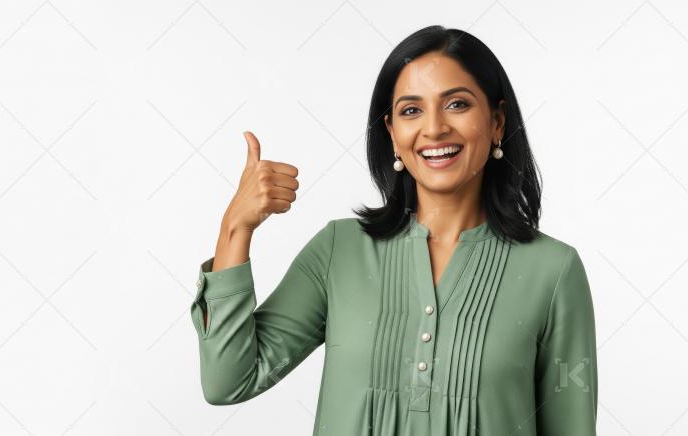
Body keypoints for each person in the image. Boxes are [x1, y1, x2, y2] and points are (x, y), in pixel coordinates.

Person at [189, 24, 598, 435]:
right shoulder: (339, 251)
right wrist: (235, 228)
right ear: (392, 134)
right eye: (411, 110)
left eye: (457, 104)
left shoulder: (554, 271)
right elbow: (229, 381)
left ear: (496, 121)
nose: (434, 128)